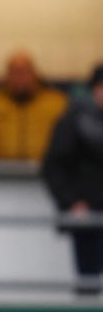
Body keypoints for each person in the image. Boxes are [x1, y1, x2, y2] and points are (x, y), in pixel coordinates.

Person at [41, 64, 103, 293]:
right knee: (88, 284)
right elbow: (53, 167)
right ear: (94, 90)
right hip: (87, 217)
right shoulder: (73, 122)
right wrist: (72, 203)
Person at [0, 51, 67, 163]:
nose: (20, 77)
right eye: (15, 72)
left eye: (25, 71)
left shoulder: (56, 103)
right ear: (6, 75)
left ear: (35, 74)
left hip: (44, 171)